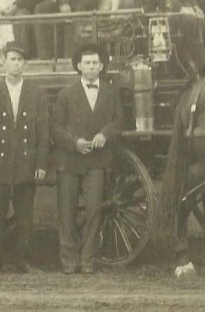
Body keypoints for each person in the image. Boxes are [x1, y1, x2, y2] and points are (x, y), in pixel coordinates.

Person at [0, 41, 49, 275]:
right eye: (11, 59)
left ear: (25, 64)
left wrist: (41, 164)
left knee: (25, 217)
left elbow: (43, 132)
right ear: (4, 62)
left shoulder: (36, 93)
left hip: (26, 164)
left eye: (19, 60)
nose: (15, 64)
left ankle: (23, 261)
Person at [51, 43, 122, 274]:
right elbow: (55, 128)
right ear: (79, 66)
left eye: (95, 63)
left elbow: (119, 121)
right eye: (87, 63)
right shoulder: (65, 94)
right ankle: (69, 261)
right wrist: (74, 143)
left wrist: (104, 134)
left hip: (97, 160)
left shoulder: (111, 93)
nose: (91, 67)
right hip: (70, 160)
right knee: (67, 211)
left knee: (94, 210)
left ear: (101, 66)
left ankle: (88, 259)